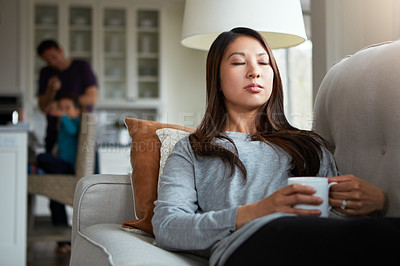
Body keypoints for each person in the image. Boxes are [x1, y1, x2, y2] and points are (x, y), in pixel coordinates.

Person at [152, 28, 399, 265]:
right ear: (216, 78)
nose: (254, 72)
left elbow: (337, 217)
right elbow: (167, 227)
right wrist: (260, 210)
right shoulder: (193, 149)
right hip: (247, 245)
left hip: (323, 240)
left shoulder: (308, 145)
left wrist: (375, 203)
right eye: (239, 63)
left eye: (264, 62)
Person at [36, 39, 97, 253]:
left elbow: (92, 96)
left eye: (53, 56)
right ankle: (63, 238)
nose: (51, 62)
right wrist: (52, 92)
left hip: (78, 136)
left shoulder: (81, 67)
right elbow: (43, 106)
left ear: (61, 50)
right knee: (50, 181)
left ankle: (87, 233)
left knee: (79, 177)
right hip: (54, 135)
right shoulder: (46, 74)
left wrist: (66, 107)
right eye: (47, 60)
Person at [36, 95, 81, 253]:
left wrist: (61, 115)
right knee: (55, 200)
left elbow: (73, 130)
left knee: (41, 158)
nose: (63, 111)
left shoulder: (76, 122)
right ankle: (63, 241)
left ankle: (36, 168)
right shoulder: (63, 126)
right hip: (62, 165)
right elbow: (60, 147)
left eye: (67, 108)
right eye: (61, 108)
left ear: (77, 111)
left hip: (69, 167)